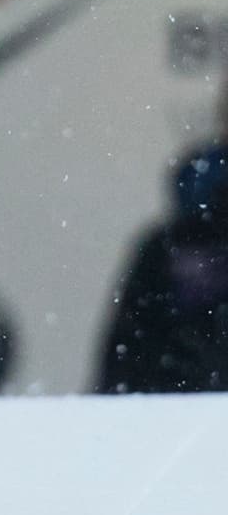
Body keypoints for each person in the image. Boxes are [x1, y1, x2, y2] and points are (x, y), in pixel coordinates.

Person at [96, 141, 228, 393]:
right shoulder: (168, 246)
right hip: (173, 411)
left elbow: (123, 359)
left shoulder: (170, 243)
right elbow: (127, 351)